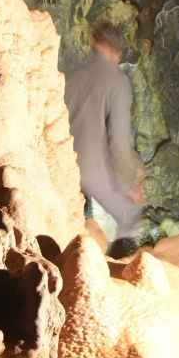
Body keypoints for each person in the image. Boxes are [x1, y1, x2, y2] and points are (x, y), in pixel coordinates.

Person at [64, 22, 145, 242]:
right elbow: (118, 142)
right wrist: (129, 184)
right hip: (91, 169)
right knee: (131, 216)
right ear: (116, 51)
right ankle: (123, 269)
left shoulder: (72, 76)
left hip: (63, 166)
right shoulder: (117, 81)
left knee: (78, 225)